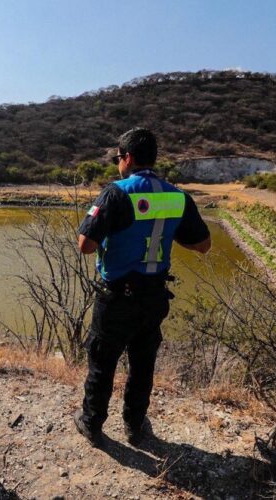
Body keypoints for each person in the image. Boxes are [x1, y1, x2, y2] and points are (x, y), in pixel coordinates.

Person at [74, 127, 211, 447]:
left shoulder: (116, 193)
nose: (117, 163)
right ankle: (135, 426)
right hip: (154, 297)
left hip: (116, 297)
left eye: (118, 157)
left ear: (129, 158)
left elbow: (86, 245)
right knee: (142, 363)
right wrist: (166, 231)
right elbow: (203, 245)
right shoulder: (177, 197)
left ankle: (92, 423)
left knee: (102, 362)